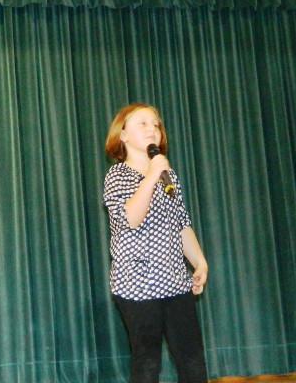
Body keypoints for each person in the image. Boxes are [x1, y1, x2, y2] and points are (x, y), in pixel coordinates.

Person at [103, 103, 208, 383]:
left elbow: (182, 224)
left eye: (156, 124)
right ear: (123, 135)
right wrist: (151, 176)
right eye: (143, 123)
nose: (153, 129)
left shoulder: (168, 176)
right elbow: (131, 219)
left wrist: (199, 262)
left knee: (192, 359)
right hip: (137, 285)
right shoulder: (117, 176)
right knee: (147, 363)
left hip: (175, 282)